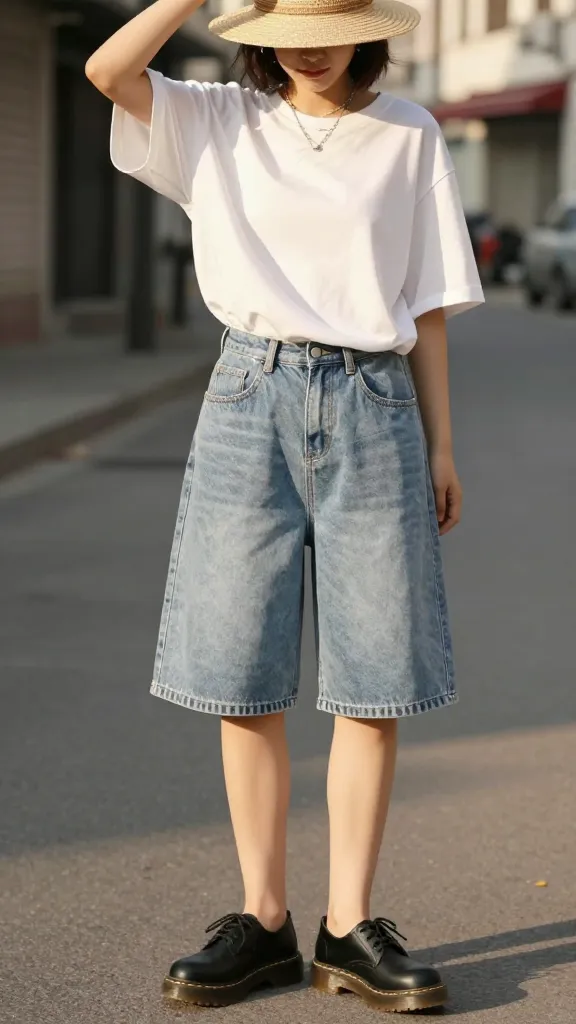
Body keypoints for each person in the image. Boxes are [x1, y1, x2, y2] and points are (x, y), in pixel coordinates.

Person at [86, 0, 483, 1011]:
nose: (306, 41)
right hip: (245, 397)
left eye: (326, 16)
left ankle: (348, 927)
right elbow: (105, 69)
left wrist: (442, 440)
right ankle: (263, 921)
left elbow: (427, 299)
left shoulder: (409, 133)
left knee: (376, 671)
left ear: (367, 23)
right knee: (240, 668)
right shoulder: (217, 119)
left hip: (376, 401)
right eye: (283, 19)